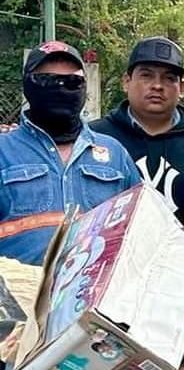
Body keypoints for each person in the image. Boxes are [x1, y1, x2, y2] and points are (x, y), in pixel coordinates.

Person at [0, 41, 142, 265]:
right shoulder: (3, 151)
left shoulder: (115, 154)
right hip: (14, 287)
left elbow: (140, 232)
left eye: (72, 82)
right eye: (47, 80)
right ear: (27, 85)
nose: (61, 88)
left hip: (94, 286)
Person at [90, 37, 184, 220]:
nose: (157, 86)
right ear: (126, 82)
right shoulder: (94, 137)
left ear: (182, 88)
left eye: (169, 78)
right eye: (146, 75)